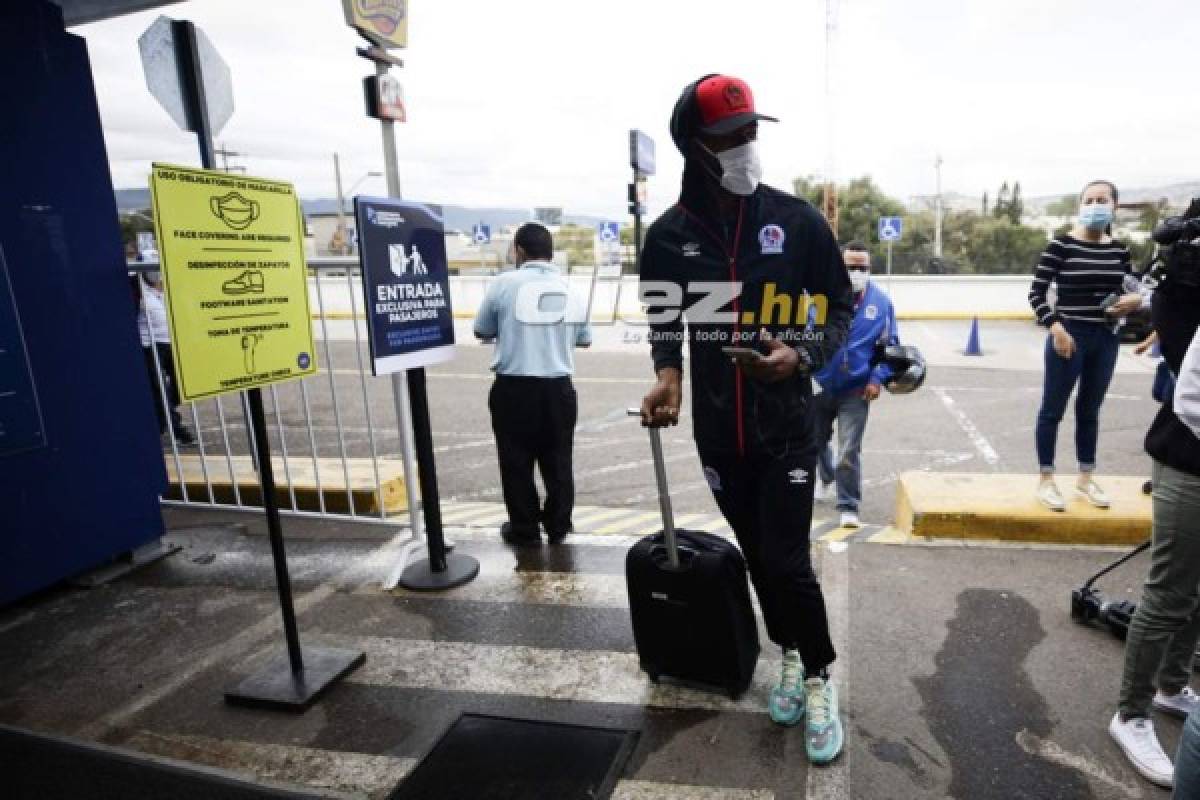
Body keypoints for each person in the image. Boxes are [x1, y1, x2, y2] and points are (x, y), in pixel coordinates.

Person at [638, 74, 854, 764]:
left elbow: (840, 308)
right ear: (695, 146)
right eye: (730, 137)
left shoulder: (796, 221)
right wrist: (669, 373)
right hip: (718, 437)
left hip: (788, 428)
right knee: (759, 559)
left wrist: (803, 354)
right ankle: (787, 653)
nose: (745, 145)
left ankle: (818, 675)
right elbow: (665, 315)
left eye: (751, 131)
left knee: (787, 562)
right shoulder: (670, 236)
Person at [1108, 237, 1200, 789]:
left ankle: (1171, 686)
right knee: (1169, 593)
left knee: (1196, 591)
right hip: (1190, 456)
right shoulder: (1182, 291)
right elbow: (1190, 395)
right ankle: (1131, 714)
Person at [473, 223, 591, 546]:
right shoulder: (573, 289)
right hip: (558, 388)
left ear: (519, 250)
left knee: (515, 462)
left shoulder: (503, 284)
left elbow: (481, 329)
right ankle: (557, 526)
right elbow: (585, 338)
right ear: (550, 253)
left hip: (514, 388)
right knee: (559, 461)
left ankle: (524, 529)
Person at [1028, 179, 1140, 511]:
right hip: (1068, 336)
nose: (1094, 206)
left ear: (1114, 207)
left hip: (1106, 338)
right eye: (1088, 200)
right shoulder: (1060, 246)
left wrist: (1132, 300)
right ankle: (1046, 480)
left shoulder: (1119, 249)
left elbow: (1131, 287)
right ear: (1080, 205)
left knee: (1089, 411)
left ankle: (1085, 478)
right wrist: (1056, 329)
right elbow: (1036, 293)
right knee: (1052, 410)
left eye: (1101, 200)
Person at [811, 241, 899, 528]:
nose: (856, 272)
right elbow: (804, 338)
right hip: (820, 385)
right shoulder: (818, 299)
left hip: (856, 390)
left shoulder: (882, 304)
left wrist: (877, 379)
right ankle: (825, 476)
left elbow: (890, 349)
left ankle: (848, 505)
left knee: (849, 449)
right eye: (850, 267)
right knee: (815, 441)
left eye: (862, 267)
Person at [133, 271, 196, 446]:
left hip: (169, 344)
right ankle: (178, 430)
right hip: (150, 346)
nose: (156, 275)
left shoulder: (161, 289)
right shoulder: (137, 291)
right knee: (160, 389)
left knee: (184, 385)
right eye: (151, 271)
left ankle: (161, 416)